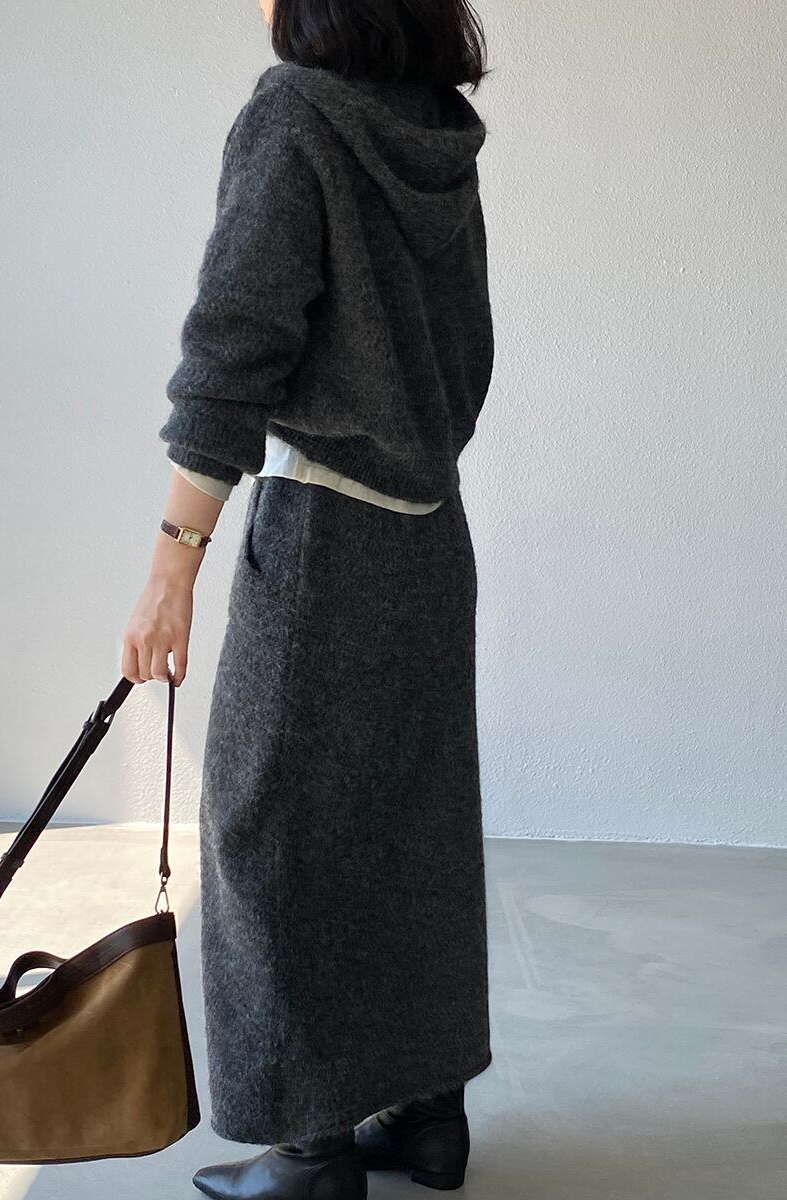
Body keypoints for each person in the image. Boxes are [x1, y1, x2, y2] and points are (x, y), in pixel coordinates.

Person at [121, 2, 494, 1196]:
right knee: (410, 821)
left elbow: (235, 343)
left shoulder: (295, 116)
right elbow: (469, 356)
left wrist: (173, 563)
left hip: (325, 537)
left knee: (265, 830)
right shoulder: (434, 129)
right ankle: (425, 1117)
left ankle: (308, 1152)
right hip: (431, 534)